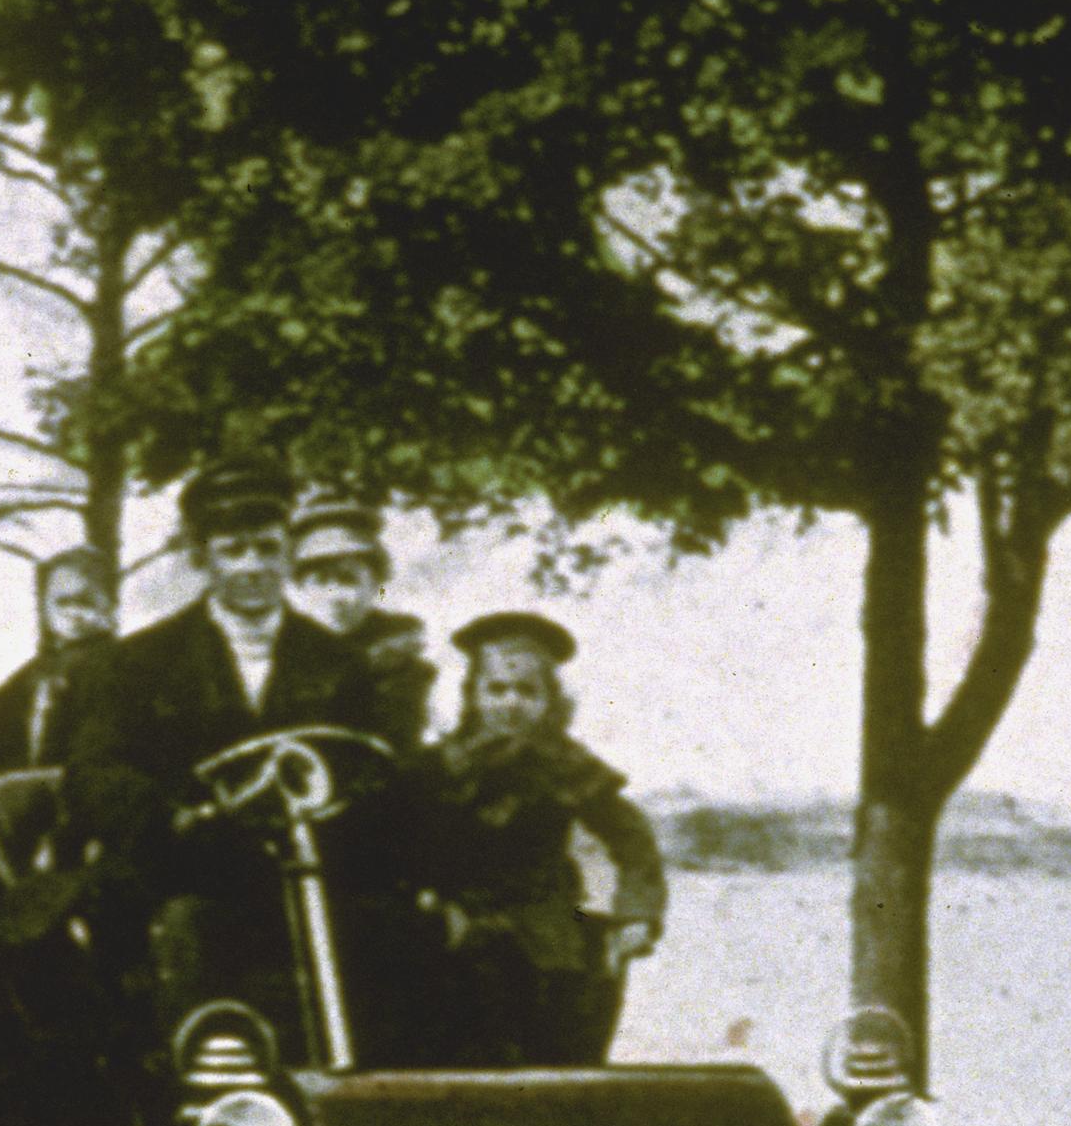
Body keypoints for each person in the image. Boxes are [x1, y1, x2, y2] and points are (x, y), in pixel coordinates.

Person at [61, 456, 383, 1057]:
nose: (253, 567)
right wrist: (177, 818)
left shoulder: (340, 662)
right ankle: (198, 1086)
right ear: (200, 558)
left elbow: (372, 767)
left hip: (307, 869)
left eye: (268, 548)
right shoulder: (135, 664)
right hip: (184, 869)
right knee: (187, 930)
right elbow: (95, 773)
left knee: (392, 934)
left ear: (289, 553)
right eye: (234, 550)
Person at [411, 610, 667, 1065]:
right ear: (473, 695)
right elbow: (398, 843)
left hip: (544, 928)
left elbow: (633, 841)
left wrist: (636, 914)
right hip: (454, 924)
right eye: (496, 690)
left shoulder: (567, 765)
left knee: (554, 1039)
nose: (511, 703)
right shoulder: (437, 767)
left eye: (527, 691)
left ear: (549, 700)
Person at [287, 492, 434, 745]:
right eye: (320, 581)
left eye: (348, 580)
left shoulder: (399, 666)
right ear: (300, 587)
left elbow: (396, 745)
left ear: (374, 586)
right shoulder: (279, 656)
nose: (334, 596)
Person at [0, 545, 117, 776]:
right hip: (37, 776)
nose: (73, 612)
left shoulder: (115, 663)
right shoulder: (42, 667)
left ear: (109, 604)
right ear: (45, 607)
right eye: (62, 602)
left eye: (85, 602)